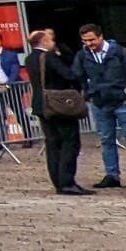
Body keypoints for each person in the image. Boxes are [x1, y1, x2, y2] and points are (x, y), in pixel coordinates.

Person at [78, 22, 126, 191]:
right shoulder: (83, 55)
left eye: (91, 40)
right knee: (106, 140)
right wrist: (88, 93)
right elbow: (79, 74)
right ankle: (112, 175)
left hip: (122, 102)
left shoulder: (120, 52)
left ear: (100, 36)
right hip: (100, 103)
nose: (89, 44)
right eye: (85, 41)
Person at [25, 30, 90, 195]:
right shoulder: (49, 57)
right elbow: (68, 75)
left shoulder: (30, 58)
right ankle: (67, 181)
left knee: (53, 143)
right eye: (51, 39)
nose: (53, 42)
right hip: (57, 104)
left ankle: (58, 181)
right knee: (69, 141)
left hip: (41, 104)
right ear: (44, 41)